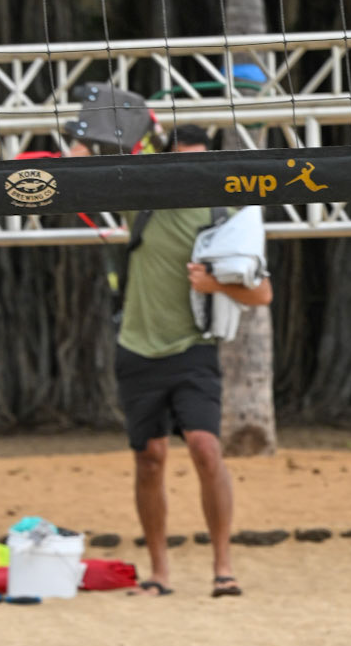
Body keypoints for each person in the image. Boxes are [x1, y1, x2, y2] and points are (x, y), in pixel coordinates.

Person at [115, 124, 272, 599]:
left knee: (206, 448)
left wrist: (215, 286)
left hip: (193, 349)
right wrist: (141, 125)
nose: (191, 170)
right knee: (150, 458)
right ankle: (159, 572)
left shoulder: (227, 216)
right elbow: (99, 152)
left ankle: (223, 566)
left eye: (200, 160)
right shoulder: (141, 205)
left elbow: (262, 293)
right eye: (182, 159)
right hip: (136, 348)